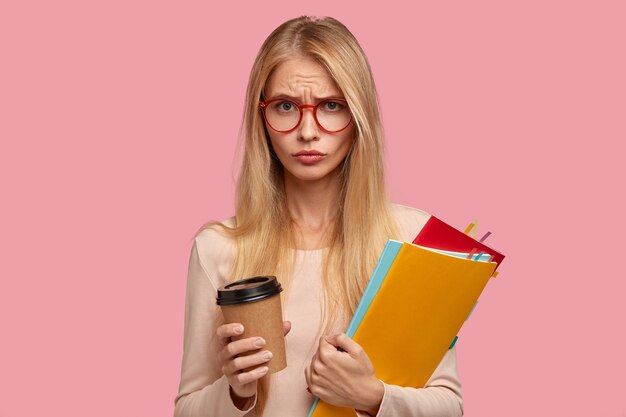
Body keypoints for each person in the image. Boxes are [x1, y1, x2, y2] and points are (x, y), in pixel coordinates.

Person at [174, 16, 463, 417]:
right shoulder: (218, 248)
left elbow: (450, 406)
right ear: (262, 117)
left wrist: (372, 397)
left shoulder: (412, 239)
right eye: (286, 106)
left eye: (331, 106)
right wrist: (237, 392)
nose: (308, 131)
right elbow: (186, 410)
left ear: (359, 116)